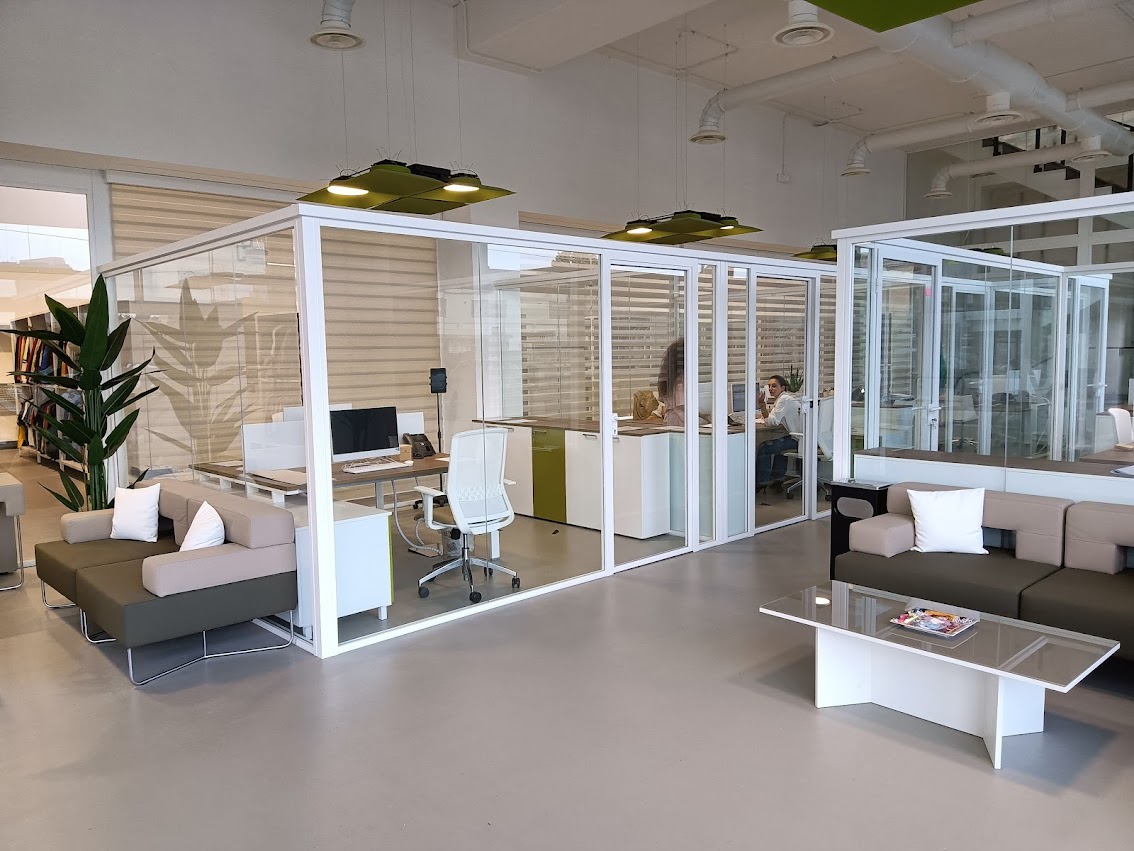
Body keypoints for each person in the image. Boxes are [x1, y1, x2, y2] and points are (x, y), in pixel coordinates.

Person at [757, 374, 802, 491]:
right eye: (769, 386)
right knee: (779, 446)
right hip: (803, 438)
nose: (771, 389)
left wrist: (762, 406)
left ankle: (761, 483)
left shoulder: (783, 400)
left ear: (782, 388)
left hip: (799, 439)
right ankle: (777, 480)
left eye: (774, 386)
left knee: (764, 447)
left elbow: (772, 422)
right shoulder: (786, 398)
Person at [657, 338, 687, 426]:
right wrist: (705, 416)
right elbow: (683, 405)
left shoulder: (669, 377)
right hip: (681, 422)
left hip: (672, 421)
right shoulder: (680, 380)